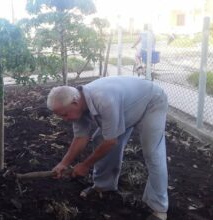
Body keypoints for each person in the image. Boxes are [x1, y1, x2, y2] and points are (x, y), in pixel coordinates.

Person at [47, 76, 168, 220]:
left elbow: (111, 141)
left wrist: (85, 165)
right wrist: (63, 163)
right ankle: (103, 185)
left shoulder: (104, 100)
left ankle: (159, 208)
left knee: (152, 153)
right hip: (126, 105)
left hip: (151, 101)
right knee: (100, 139)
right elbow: (80, 138)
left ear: (75, 102)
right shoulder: (79, 104)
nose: (65, 119)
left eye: (65, 114)